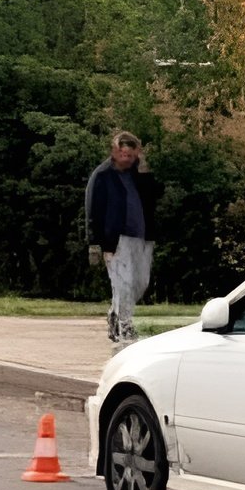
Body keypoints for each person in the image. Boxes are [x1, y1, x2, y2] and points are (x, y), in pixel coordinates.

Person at [85, 131, 160, 347]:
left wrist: (145, 169)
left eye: (131, 155)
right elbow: (93, 210)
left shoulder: (139, 174)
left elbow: (155, 196)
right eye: (122, 154)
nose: (126, 159)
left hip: (143, 238)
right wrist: (95, 243)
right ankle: (125, 326)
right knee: (123, 284)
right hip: (116, 240)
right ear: (114, 152)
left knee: (140, 283)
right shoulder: (102, 175)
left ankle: (115, 315)